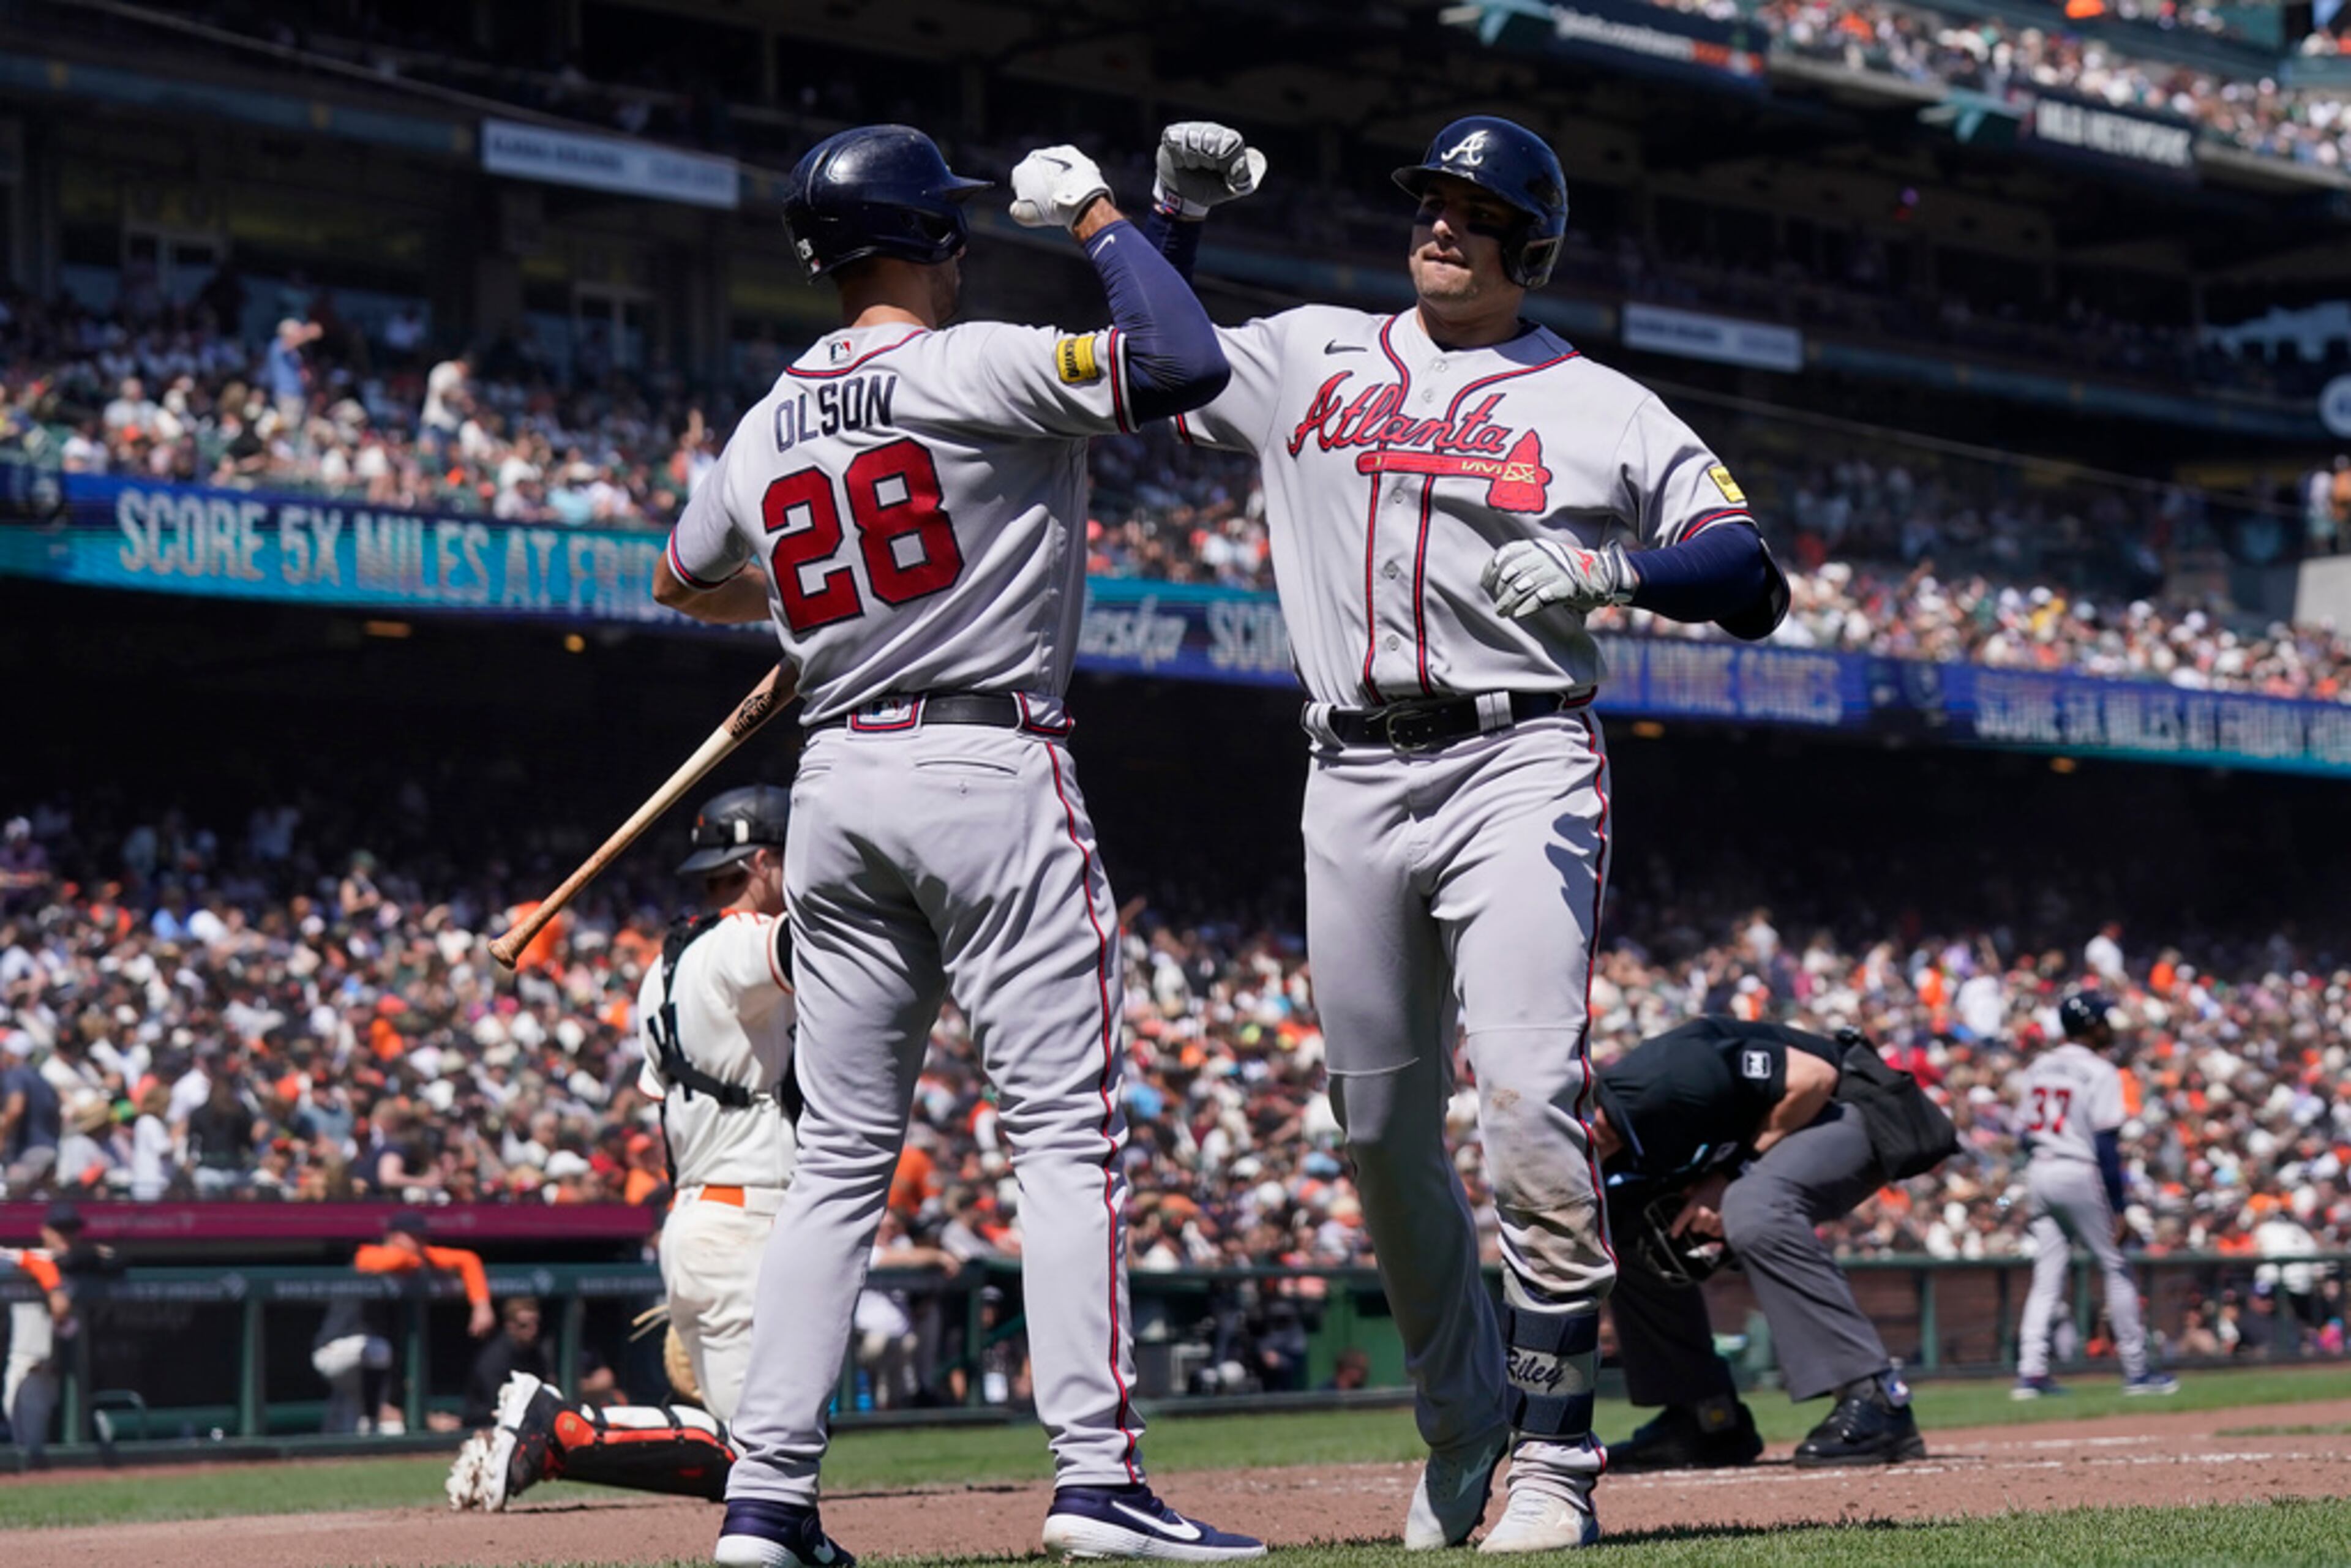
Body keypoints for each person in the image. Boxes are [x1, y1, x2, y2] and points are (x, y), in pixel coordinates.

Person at [1142, 116, 1787, 1551]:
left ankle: (1555, 1452)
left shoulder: (1593, 401)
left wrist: (1608, 563)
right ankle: (1461, 1417)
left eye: (1474, 209)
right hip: (1347, 767)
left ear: (1527, 244)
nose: (1441, 223)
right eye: (1430, 199)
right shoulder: (1310, 348)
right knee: (1375, 1127)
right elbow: (1157, 367)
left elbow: (1749, 572)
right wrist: (1168, 220)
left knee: (1522, 1097)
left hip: (1518, 755)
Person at [656, 124, 1256, 1567]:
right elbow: (1174, 365)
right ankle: (1098, 1477)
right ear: (940, 240)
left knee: (842, 1155)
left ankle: (766, 1500)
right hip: (985, 756)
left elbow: (685, 578)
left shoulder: (760, 421)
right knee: (1058, 1129)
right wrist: (1110, 219)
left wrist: (812, 607)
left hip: (838, 781)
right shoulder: (968, 360)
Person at [451, 786, 801, 1511]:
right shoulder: (740, 943)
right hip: (748, 1217)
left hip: (699, 1218)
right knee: (763, 1456)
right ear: (764, 861)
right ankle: (561, 1428)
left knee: (758, 1456)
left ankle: (561, 1430)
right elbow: (816, 944)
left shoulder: (663, 966)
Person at [1588, 1018, 1939, 1472]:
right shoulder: (1593, 1160)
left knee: (1754, 1204)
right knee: (1621, 1228)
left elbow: (1813, 1077)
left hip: (1856, 1103)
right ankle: (1706, 1419)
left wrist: (1731, 1173)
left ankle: (1877, 1398)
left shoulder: (1665, 1077)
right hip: (1787, 1132)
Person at [2010, 992, 2180, 1398]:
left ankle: (2031, 1372)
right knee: (2116, 1264)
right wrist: (2120, 1207)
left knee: (2047, 1276)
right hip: (2078, 1168)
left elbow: (2021, 1132)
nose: (2110, 1026)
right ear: (2092, 1026)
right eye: (2104, 1020)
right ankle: (2137, 1372)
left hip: (2039, 1168)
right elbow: (2107, 1143)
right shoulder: (2102, 1070)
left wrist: (2021, 1183)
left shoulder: (2039, 1065)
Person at [311, 1210, 492, 1435]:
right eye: (414, 1237)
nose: (421, 1243)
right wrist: (422, 1261)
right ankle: (374, 1412)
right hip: (335, 1350)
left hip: (366, 1367)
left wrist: (481, 1304)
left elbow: (468, 1259)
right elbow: (393, 1259)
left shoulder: (416, 1257)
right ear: (395, 1237)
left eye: (423, 1237)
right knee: (379, 1351)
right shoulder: (369, 1254)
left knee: (387, 1427)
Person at [2, 1202, 120, 1464]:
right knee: (28, 1456)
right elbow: (30, 1259)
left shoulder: (79, 1262)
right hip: (31, 1369)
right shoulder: (35, 1257)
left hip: (68, 1373)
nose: (66, 1237)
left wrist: (91, 1256)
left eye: (72, 1230)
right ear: (45, 1231)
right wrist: (55, 1288)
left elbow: (117, 1261)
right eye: (60, 1230)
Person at [1, 1030, 61, 1195]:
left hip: (30, 1153)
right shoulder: (43, 1080)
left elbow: (15, 1108)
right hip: (51, 1149)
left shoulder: (15, 1075)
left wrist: (2, 1135)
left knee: (12, 1198)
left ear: (13, 1053)